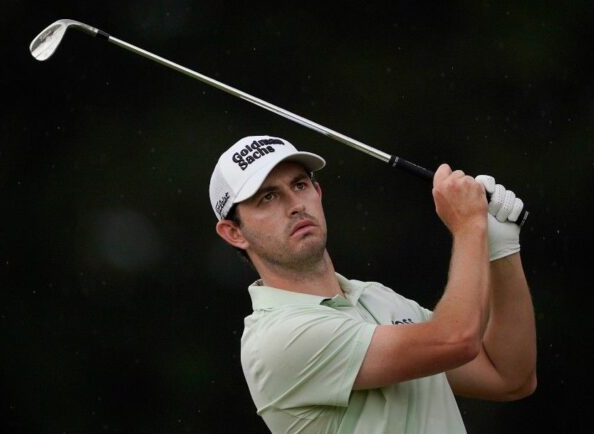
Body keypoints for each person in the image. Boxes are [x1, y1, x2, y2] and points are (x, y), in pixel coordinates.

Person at [209, 135, 537, 433]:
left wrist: (501, 251)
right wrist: (469, 226)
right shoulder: (277, 338)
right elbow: (457, 340)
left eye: (299, 185)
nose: (295, 205)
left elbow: (507, 376)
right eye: (267, 198)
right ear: (233, 233)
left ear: (318, 192)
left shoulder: (377, 299)